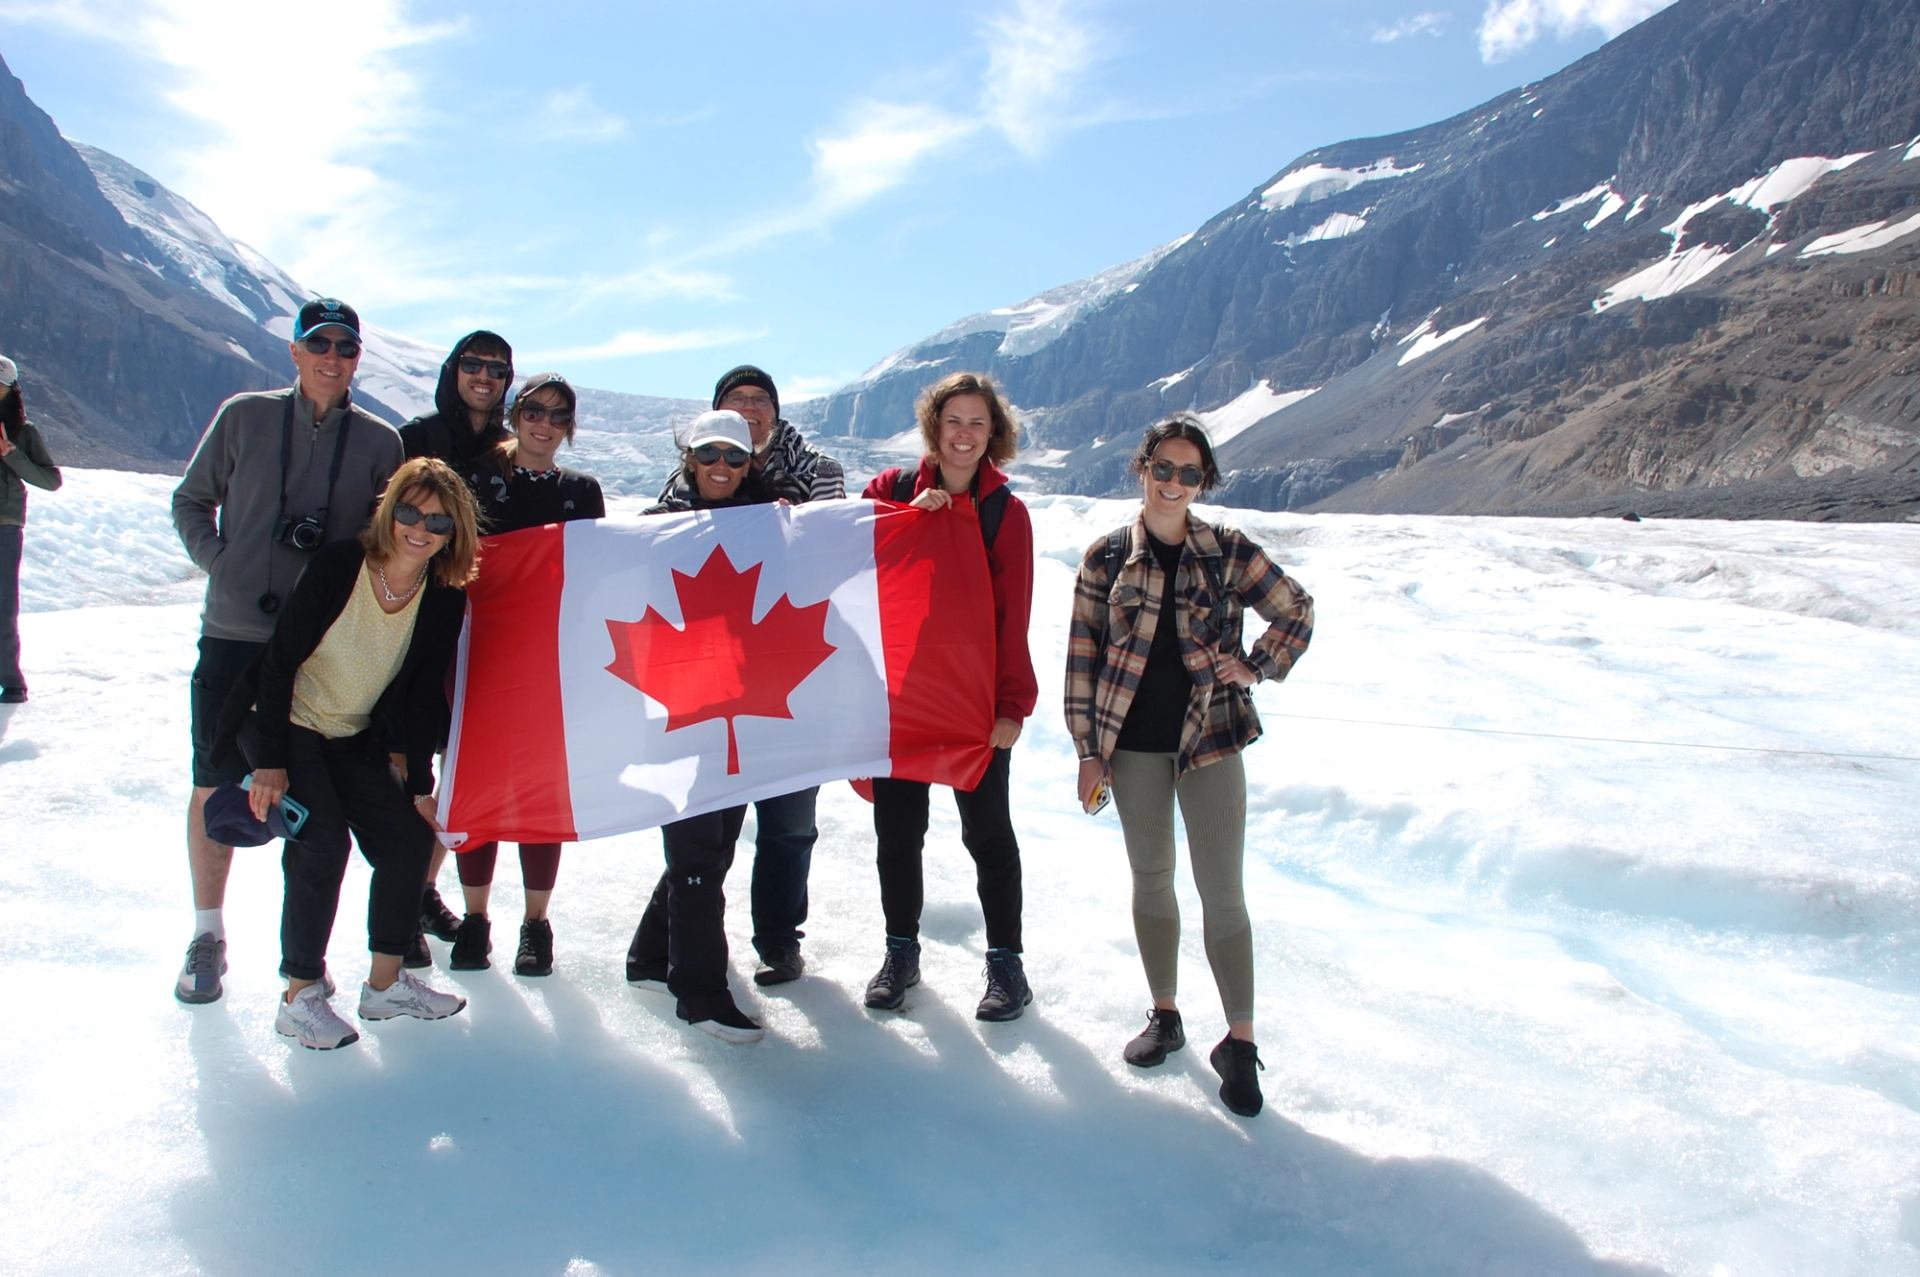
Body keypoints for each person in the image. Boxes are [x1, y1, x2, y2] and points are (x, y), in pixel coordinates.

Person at [1064, 415, 1314, 1118]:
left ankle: (1238, 1042)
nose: (1174, 483)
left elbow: (1295, 609)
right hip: (1133, 745)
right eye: (1163, 468)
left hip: (1213, 737)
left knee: (1222, 891)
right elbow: (1082, 660)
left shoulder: (1227, 551)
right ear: (1142, 468)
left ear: (1203, 481)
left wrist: (1258, 664)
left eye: (1189, 473)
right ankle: (1166, 1014)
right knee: (1152, 877)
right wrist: (1087, 750)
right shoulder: (1107, 557)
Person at [170, 299, 403, 1005]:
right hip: (237, 632)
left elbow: (383, 538)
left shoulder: (379, 442)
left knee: (307, 803)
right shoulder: (243, 415)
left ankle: (303, 955)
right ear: (295, 353)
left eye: (347, 347)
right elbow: (190, 501)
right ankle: (208, 932)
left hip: (320, 651)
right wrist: (224, 564)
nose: (333, 357)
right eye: (319, 344)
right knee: (216, 779)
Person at [220, 457, 480, 1049]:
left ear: (454, 534)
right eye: (410, 513)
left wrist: (418, 783)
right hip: (288, 724)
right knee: (324, 841)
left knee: (409, 841)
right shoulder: (342, 565)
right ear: (390, 512)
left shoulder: (442, 597)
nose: (421, 530)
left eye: (438, 522)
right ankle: (300, 995)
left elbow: (418, 696)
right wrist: (268, 759)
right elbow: (280, 659)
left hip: (350, 736)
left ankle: (386, 986)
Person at [656, 365, 846, 987]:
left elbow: (838, 550)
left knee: (789, 820)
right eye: (733, 402)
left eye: (758, 400)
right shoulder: (683, 486)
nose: (748, 409)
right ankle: (664, 946)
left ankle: (779, 940)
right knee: (706, 823)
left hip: (792, 674)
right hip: (708, 681)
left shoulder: (816, 471)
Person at [860, 372, 1037, 1021]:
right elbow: (853, 554)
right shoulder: (892, 490)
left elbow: (1011, 617)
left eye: (977, 424)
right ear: (934, 425)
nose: (963, 434)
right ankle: (900, 952)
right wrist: (906, 520)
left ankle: (1006, 965)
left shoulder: (1004, 513)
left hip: (972, 702)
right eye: (953, 420)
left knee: (987, 831)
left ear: (994, 435)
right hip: (904, 695)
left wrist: (1012, 706)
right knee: (897, 831)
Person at [625, 410, 785, 1043]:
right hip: (675, 710)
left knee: (715, 843)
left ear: (751, 464)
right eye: (709, 453)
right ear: (688, 456)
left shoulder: (772, 525)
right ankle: (700, 991)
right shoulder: (650, 527)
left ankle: (647, 957)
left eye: (735, 457)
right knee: (694, 849)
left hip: (740, 710)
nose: (721, 467)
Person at [449, 372, 604, 976]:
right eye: (534, 410)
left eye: (558, 415)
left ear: (569, 427)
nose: (544, 422)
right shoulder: (475, 479)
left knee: (542, 787)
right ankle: (475, 918)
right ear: (515, 413)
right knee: (477, 782)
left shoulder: (582, 491)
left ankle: (536, 924)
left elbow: (594, 575)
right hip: (479, 650)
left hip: (550, 659)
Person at [397, 331, 515, 956]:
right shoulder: (416, 439)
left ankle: (418, 893)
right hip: (421, 617)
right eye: (473, 364)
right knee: (412, 765)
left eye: (497, 369)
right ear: (454, 371)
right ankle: (404, 896)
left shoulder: (509, 450)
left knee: (460, 766)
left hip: (488, 626)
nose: (484, 376)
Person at [0, 354, 62, 704]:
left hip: (5, 527)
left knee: (2, 607)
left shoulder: (25, 431)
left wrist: (12, 454)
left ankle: (12, 682)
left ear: (11, 391)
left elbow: (51, 480)